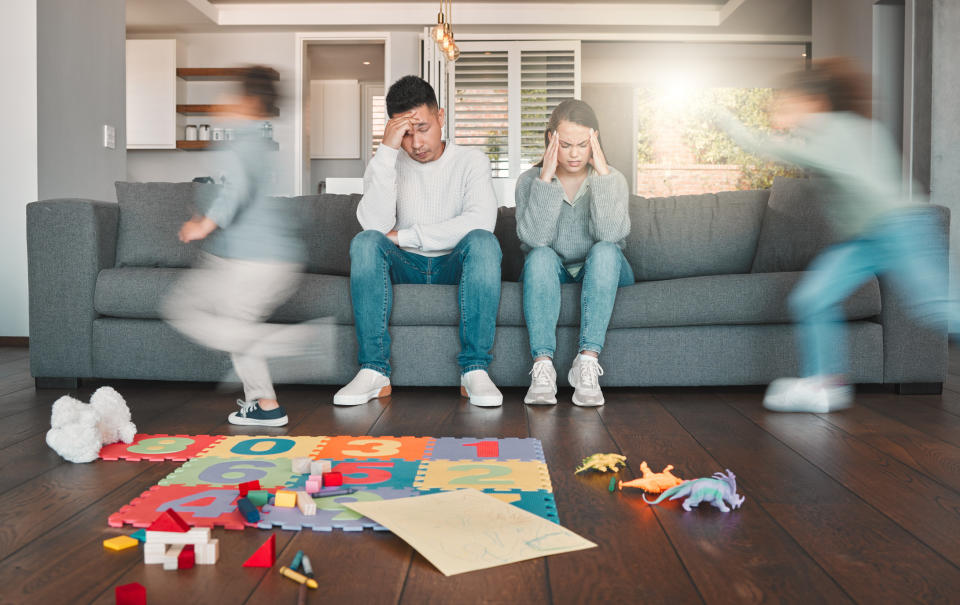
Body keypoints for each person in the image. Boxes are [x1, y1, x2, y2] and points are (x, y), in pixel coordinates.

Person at [717, 59, 957, 413]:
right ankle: (823, 383)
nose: (779, 111)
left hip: (901, 229)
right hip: (868, 239)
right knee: (812, 298)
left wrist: (727, 121)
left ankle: (822, 381)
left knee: (938, 310)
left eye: (786, 103)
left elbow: (775, 148)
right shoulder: (842, 130)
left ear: (812, 101)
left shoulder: (833, 131)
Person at [162, 66, 322, 427]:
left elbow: (236, 188)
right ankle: (266, 405)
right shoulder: (259, 142)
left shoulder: (243, 142)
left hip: (252, 260)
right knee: (236, 324)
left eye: (233, 95)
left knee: (184, 310)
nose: (225, 102)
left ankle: (289, 344)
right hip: (264, 258)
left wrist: (205, 223)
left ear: (247, 101)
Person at [333, 75, 503, 407]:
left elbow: (481, 221)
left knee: (483, 242)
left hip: (453, 263)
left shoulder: (472, 161)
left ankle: (475, 370)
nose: (416, 143)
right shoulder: (388, 162)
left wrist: (408, 235)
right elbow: (374, 226)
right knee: (365, 242)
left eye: (423, 128)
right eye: (406, 134)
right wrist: (385, 151)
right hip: (405, 265)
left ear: (441, 116)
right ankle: (374, 372)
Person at [514, 99, 632, 406]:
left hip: (603, 267)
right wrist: (545, 179)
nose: (575, 153)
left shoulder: (613, 179)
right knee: (538, 256)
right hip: (554, 268)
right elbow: (535, 240)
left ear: (595, 139)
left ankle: (587, 363)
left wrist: (603, 175)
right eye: (565, 145)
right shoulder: (529, 181)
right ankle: (542, 367)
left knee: (606, 250)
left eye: (583, 144)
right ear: (551, 139)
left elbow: (610, 235)